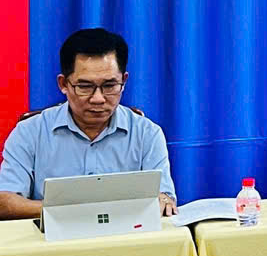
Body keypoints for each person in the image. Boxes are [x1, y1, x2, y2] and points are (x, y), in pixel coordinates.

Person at [0, 28, 177, 220]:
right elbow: (5, 202)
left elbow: (164, 198)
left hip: (127, 235)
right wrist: (74, 212)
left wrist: (164, 201)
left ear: (124, 81)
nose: (98, 99)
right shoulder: (30, 132)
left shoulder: (147, 134)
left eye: (109, 86)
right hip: (52, 236)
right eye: (85, 87)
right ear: (63, 84)